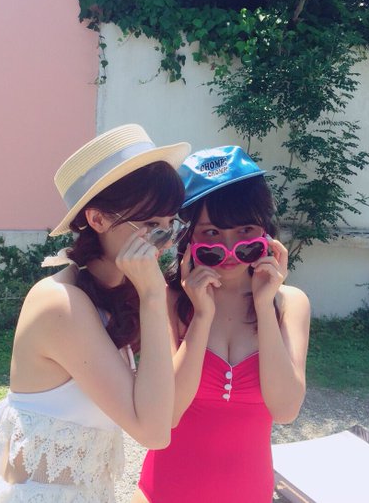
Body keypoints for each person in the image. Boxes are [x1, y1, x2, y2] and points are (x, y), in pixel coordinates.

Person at [0, 124, 191, 502]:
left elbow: (165, 409)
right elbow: (154, 432)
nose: (165, 242)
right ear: (98, 219)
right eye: (151, 225)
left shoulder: (117, 295)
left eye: (170, 226)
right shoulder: (60, 304)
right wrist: (154, 297)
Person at [133, 146, 311, 503]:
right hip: (164, 493)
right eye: (212, 232)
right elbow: (167, 414)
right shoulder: (167, 300)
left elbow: (285, 410)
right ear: (189, 238)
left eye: (245, 229)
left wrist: (264, 305)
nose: (230, 248)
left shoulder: (289, 304)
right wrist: (201, 317)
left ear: (266, 232)